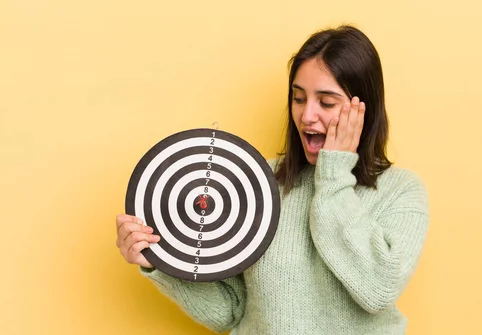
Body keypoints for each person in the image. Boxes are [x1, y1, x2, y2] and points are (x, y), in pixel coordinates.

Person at [115, 25, 429, 334]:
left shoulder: (401, 192)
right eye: (299, 98)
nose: (307, 116)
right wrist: (160, 262)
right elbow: (232, 310)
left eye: (327, 102)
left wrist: (333, 175)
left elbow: (377, 290)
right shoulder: (258, 183)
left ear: (364, 110)